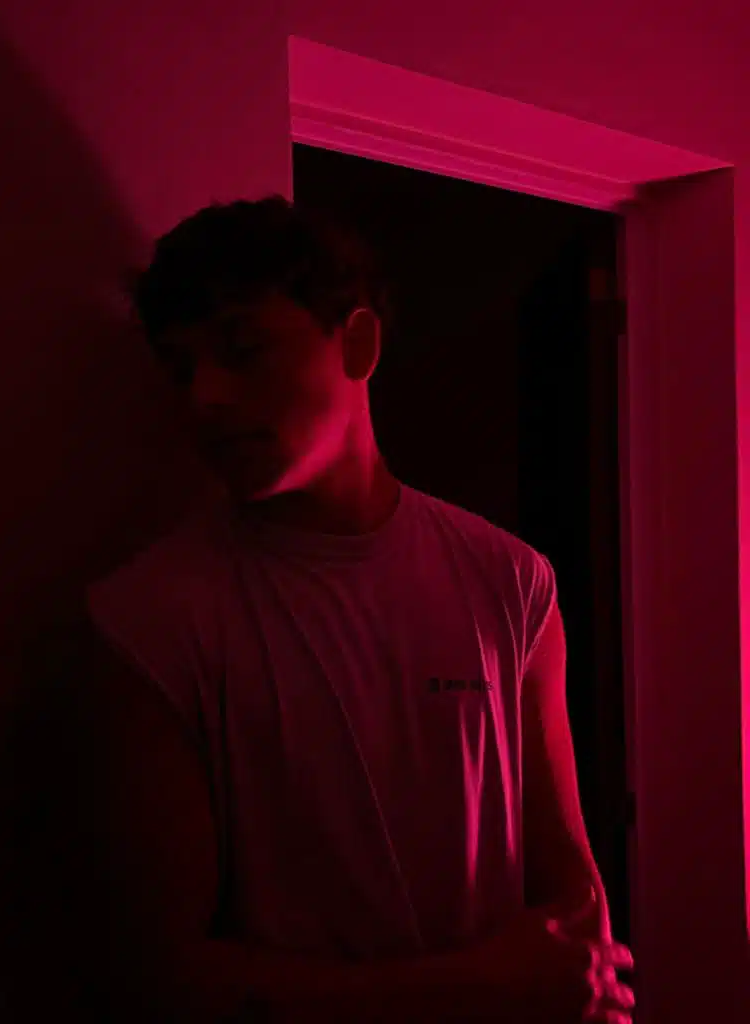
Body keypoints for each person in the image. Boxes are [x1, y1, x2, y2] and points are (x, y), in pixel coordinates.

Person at [70, 195, 635, 1021]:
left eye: (241, 349)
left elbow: (574, 900)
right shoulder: (148, 620)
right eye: (181, 367)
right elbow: (165, 979)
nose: (205, 397)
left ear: (358, 345)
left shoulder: (510, 580)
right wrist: (478, 988)